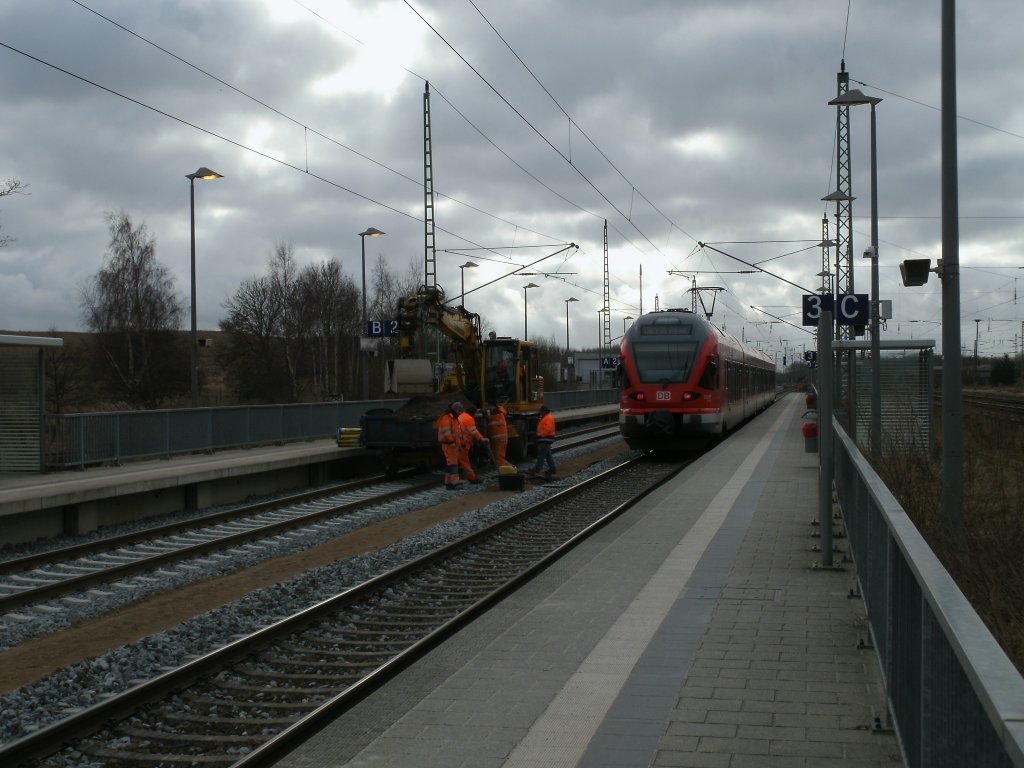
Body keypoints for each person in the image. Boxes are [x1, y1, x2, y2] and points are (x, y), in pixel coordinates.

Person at [455, 403, 488, 484]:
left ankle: (455, 479)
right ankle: (472, 479)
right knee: (465, 462)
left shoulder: (461, 416)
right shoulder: (469, 419)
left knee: (458, 462)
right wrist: (481, 439)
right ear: (473, 413)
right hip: (462, 444)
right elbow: (473, 431)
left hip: (456, 442)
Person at [435, 403, 463, 490]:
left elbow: (455, 433)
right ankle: (455, 483)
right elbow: (446, 431)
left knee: (450, 464)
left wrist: (458, 444)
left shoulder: (452, 417)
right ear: (456, 410)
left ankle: (448, 483)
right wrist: (451, 442)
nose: (460, 413)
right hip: (449, 445)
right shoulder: (447, 417)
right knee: (453, 465)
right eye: (459, 411)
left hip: (452, 445)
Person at [528, 404, 556, 480]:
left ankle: (536, 469)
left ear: (544, 411)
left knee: (541, 455)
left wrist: (540, 435)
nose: (540, 413)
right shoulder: (546, 418)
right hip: (546, 439)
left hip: (545, 439)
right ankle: (552, 469)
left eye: (541, 412)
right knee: (547, 455)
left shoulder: (547, 418)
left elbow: (548, 429)